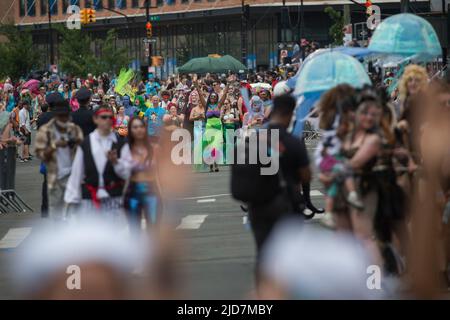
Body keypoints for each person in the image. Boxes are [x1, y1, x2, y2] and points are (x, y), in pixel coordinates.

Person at [245, 94, 311, 281]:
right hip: (287, 202)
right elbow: (306, 176)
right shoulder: (294, 142)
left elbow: (246, 171)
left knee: (264, 251)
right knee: (290, 253)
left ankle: (264, 290)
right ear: (290, 114)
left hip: (259, 204)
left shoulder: (255, 139)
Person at [64, 106, 132, 217]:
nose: (108, 120)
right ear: (95, 119)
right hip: (90, 199)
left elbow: (128, 173)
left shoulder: (121, 144)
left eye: (110, 117)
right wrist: (71, 202)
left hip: (114, 199)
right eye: (104, 117)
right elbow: (76, 175)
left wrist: (116, 162)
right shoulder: (85, 144)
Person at [35, 100, 83, 220]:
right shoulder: (45, 131)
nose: (63, 119)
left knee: (73, 216)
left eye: (66, 115)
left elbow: (83, 149)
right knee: (56, 215)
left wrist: (74, 143)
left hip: (72, 177)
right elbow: (40, 154)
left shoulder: (74, 129)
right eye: (61, 116)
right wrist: (55, 145)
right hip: (54, 177)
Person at [124, 117, 162, 232]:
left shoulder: (155, 148)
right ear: (130, 130)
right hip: (132, 192)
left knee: (154, 232)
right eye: (135, 127)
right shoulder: (126, 149)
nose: (139, 130)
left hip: (152, 191)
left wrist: (162, 194)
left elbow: (158, 174)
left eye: (141, 127)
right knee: (134, 231)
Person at [196, 81, 229, 172]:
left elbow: (225, 94)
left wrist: (228, 83)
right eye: (211, 96)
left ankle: (216, 164)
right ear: (209, 98)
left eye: (214, 97)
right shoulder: (206, 106)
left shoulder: (219, 105)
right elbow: (200, 94)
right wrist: (195, 84)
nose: (213, 98)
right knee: (210, 147)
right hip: (209, 127)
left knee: (216, 146)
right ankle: (211, 164)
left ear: (217, 98)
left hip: (218, 128)